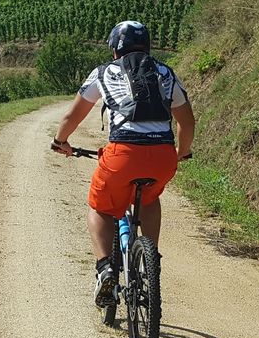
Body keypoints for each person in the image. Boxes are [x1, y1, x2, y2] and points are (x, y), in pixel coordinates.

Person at [50, 20, 195, 307]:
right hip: (163, 155)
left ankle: (105, 269)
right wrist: (181, 152)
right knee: (151, 198)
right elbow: (187, 121)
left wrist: (60, 141)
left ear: (115, 49)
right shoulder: (165, 72)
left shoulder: (104, 72)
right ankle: (150, 264)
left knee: (100, 207)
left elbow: (71, 118)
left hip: (123, 155)